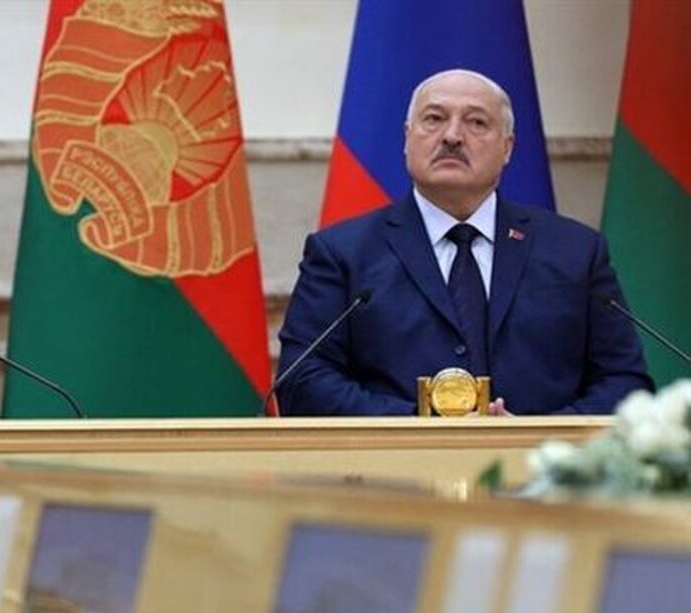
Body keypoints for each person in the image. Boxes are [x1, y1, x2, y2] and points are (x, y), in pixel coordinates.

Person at [276, 69, 652, 416]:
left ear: (507, 147)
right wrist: (419, 426)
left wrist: (535, 438)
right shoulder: (342, 253)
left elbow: (625, 382)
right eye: (434, 119)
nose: (452, 136)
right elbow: (301, 380)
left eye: (476, 122)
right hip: (394, 465)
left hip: (538, 465)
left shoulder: (575, 251)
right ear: (407, 138)